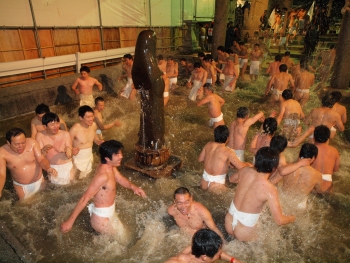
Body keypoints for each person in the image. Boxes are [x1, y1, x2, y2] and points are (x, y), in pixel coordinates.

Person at [60, 140, 146, 235]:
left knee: (124, 237)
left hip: (109, 212)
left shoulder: (110, 166)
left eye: (120, 153)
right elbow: (85, 198)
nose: (121, 156)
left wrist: (134, 187)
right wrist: (69, 222)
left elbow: (120, 178)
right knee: (121, 243)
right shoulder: (103, 176)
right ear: (107, 158)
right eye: (117, 155)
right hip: (101, 219)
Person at [226, 147, 295, 241]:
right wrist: (293, 218)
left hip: (229, 221)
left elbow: (231, 179)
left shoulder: (244, 170)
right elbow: (279, 220)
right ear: (274, 168)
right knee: (268, 240)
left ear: (256, 161)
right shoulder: (269, 189)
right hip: (244, 232)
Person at [0, 128, 57, 200]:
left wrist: (48, 168)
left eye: (23, 142)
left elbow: (41, 159)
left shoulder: (32, 143)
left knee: (46, 199)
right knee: (27, 207)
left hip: (40, 181)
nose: (21, 146)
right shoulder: (2, 153)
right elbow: (1, 174)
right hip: (21, 187)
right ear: (8, 143)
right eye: (17, 144)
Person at [198, 125, 250, 192]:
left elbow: (200, 159)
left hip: (204, 182)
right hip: (217, 185)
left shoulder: (208, 144)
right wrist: (249, 164)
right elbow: (241, 167)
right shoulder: (228, 151)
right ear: (227, 138)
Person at [278, 143, 323, 208]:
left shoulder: (287, 167)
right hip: (299, 205)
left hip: (282, 200)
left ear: (300, 153)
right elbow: (319, 191)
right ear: (313, 157)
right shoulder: (317, 175)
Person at [36, 112, 74, 185]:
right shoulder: (40, 135)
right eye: (52, 124)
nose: (56, 126)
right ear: (45, 126)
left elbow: (70, 153)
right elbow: (40, 158)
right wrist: (43, 150)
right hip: (52, 167)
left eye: (57, 123)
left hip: (67, 166)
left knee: (71, 186)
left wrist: (68, 151)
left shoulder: (65, 134)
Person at [165, 229, 242, 263]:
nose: (221, 253)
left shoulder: (196, 248)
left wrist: (233, 260)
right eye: (218, 253)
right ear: (204, 257)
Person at [69, 106, 103, 179]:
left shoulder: (93, 125)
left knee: (86, 179)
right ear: (81, 118)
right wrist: (71, 151)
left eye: (92, 116)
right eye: (88, 117)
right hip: (77, 158)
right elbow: (66, 145)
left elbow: (94, 135)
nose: (91, 119)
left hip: (89, 157)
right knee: (72, 180)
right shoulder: (75, 129)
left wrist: (98, 141)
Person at [311, 125, 340, 192]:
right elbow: (336, 169)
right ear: (328, 138)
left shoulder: (310, 149)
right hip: (328, 182)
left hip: (313, 181)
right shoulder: (334, 151)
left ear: (314, 137)